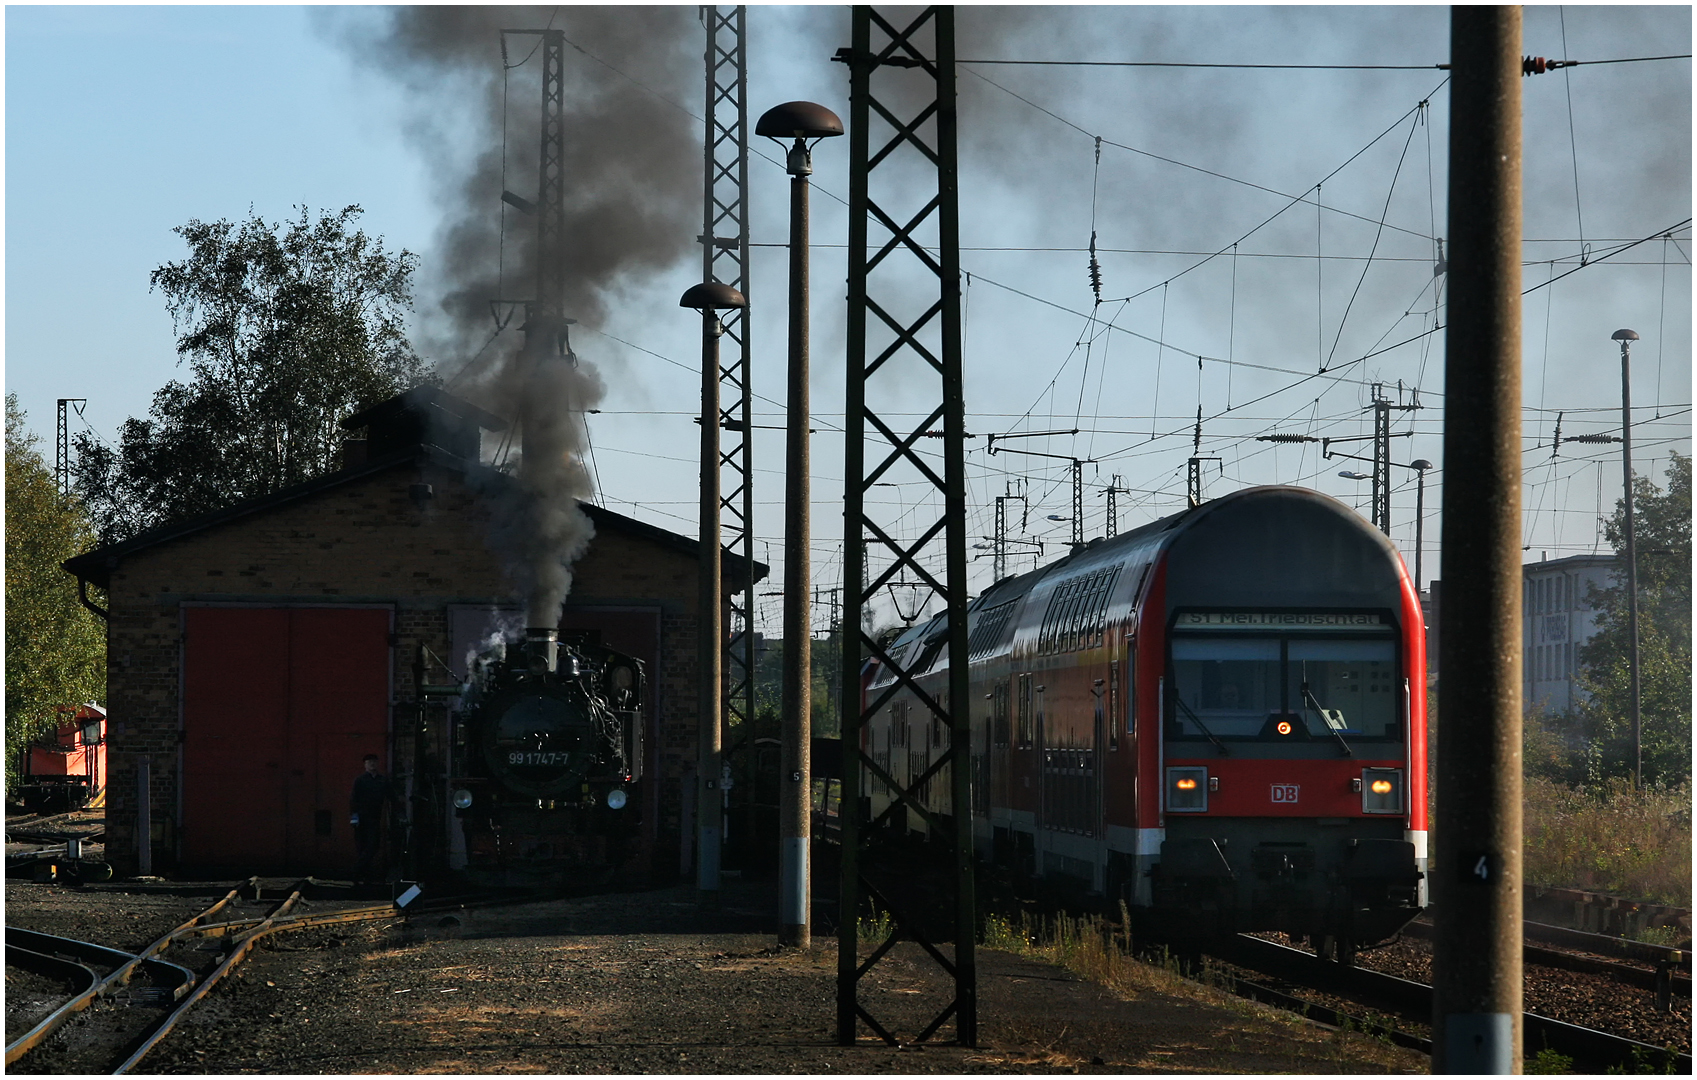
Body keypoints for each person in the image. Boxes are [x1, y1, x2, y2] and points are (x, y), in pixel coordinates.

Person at [350, 753, 394, 884]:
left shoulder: (383, 781)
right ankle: (363, 876)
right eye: (369, 762)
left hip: (374, 817)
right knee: (362, 847)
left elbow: (392, 796)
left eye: (374, 762)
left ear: (378, 763)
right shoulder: (360, 780)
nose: (372, 764)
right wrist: (354, 817)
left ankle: (358, 872)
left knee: (373, 846)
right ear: (365, 765)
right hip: (361, 818)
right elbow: (354, 799)